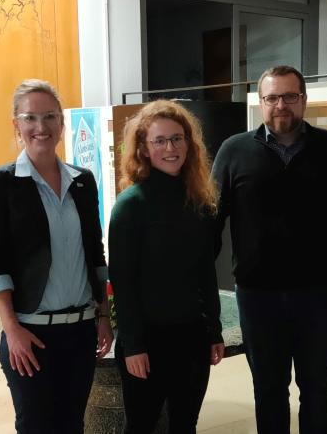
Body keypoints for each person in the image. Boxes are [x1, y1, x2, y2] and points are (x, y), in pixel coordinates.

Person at [212, 66, 327, 434]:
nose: (281, 105)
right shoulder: (234, 151)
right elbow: (210, 224)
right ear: (261, 103)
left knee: (318, 387)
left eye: (290, 96)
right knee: (268, 389)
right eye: (272, 97)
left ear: (304, 100)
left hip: (318, 294)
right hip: (257, 296)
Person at [0, 79, 113, 434]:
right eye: (30, 117)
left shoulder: (82, 180)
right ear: (16, 125)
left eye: (50, 116)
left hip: (81, 331)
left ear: (62, 124)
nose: (41, 127)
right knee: (36, 425)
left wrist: (103, 315)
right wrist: (12, 329)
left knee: (72, 424)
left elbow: (94, 253)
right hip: (29, 333)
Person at [109, 100, 225, 434]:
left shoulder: (199, 201)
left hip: (191, 337)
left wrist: (213, 329)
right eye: (159, 141)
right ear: (143, 149)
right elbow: (123, 283)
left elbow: (205, 272)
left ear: (189, 144)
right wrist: (132, 345)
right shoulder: (131, 206)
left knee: (186, 424)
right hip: (147, 339)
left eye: (177, 139)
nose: (170, 148)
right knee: (142, 425)